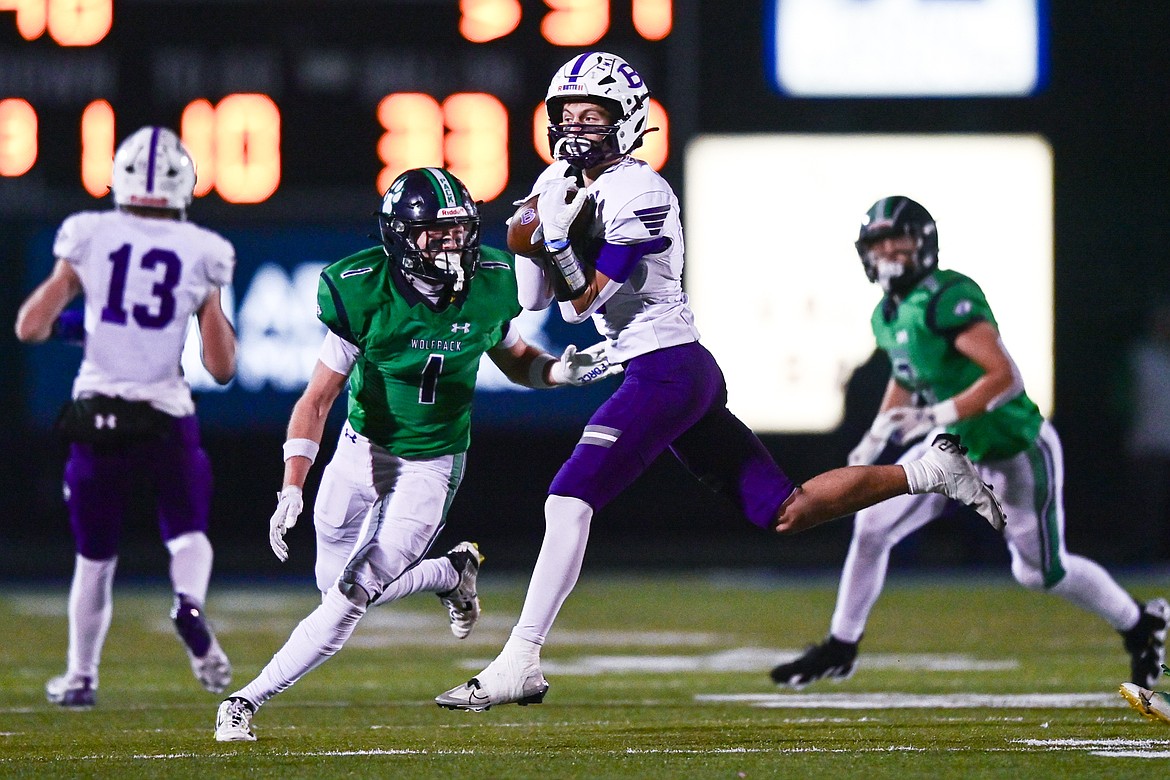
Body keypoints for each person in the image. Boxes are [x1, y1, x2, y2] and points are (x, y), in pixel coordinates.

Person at [433, 53, 1005, 712]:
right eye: (568, 114)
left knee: (569, 497)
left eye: (593, 115)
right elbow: (534, 301)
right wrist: (527, 237)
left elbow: (584, 303)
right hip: (672, 372)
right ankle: (928, 472)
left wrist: (558, 238)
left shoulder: (639, 190)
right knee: (783, 510)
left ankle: (520, 661)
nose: (577, 128)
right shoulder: (558, 179)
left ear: (627, 121)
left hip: (667, 366)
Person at [213, 166, 619, 741]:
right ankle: (452, 572)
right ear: (402, 235)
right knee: (333, 584)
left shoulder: (490, 283)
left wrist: (556, 372)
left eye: (460, 230)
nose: (453, 244)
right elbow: (317, 399)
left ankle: (245, 701)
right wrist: (291, 486)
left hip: (432, 463)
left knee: (353, 592)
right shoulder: (362, 289)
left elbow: (513, 354)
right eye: (437, 232)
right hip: (360, 450)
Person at [769, 195, 1169, 691]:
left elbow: (1005, 378)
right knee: (871, 525)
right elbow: (906, 374)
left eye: (899, 239)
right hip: (953, 448)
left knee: (1038, 573)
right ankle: (841, 644)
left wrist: (935, 414)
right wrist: (877, 434)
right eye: (879, 241)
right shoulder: (886, 315)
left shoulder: (946, 297)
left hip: (1014, 448)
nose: (889, 251)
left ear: (924, 244)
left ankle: (1139, 624)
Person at [15, 126, 237, 708]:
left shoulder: (87, 233)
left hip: (97, 415)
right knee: (187, 533)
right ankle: (188, 601)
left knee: (94, 556)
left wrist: (78, 313)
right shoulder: (205, 248)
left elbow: (29, 327)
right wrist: (208, 301)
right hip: (166, 412)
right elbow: (220, 366)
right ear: (183, 184)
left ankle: (81, 677)